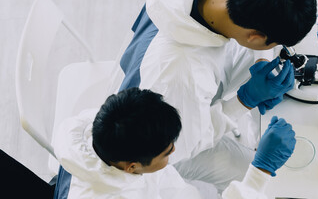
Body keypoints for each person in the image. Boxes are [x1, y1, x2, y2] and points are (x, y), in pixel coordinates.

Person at [118, 0, 316, 191]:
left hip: (184, 84)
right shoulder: (181, 73)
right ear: (254, 36)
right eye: (275, 42)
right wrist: (245, 100)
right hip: (165, 142)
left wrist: (264, 61)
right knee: (260, 177)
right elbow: (185, 145)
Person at [53, 87, 296, 198]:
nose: (176, 151)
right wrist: (259, 173)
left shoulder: (108, 126)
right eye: (167, 153)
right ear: (132, 166)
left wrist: (240, 102)